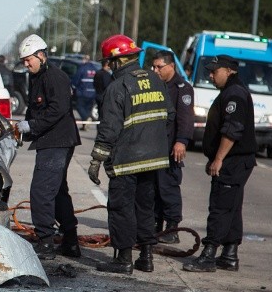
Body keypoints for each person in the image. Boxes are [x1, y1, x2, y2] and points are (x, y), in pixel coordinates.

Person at [87, 34, 173, 274]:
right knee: (145, 208)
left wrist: (96, 160)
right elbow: (169, 117)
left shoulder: (117, 87)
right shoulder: (157, 82)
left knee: (121, 208)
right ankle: (146, 257)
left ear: (116, 62)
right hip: (153, 159)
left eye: (108, 62)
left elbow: (109, 130)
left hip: (126, 161)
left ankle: (123, 259)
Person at [183, 55, 257, 273]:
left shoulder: (234, 94)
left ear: (229, 71)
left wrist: (218, 159)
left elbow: (232, 130)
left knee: (220, 207)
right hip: (235, 161)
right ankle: (230, 254)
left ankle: (209, 255)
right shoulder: (231, 92)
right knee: (231, 206)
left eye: (215, 71)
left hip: (233, 161)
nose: (211, 75)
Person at [15, 34, 82, 260]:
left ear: (41, 55)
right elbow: (35, 109)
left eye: (28, 60)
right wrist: (24, 129)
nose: (26, 64)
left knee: (41, 191)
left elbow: (56, 111)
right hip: (50, 140)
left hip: (58, 141)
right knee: (57, 191)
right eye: (24, 61)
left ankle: (45, 242)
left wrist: (31, 126)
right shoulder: (37, 77)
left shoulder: (55, 77)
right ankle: (70, 241)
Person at [151, 50, 195, 244]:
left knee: (168, 189)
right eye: (153, 67)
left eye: (159, 67)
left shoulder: (182, 88)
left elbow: (185, 118)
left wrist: (182, 141)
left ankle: (172, 229)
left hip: (170, 147)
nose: (155, 70)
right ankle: (154, 226)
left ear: (171, 66)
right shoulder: (155, 85)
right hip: (154, 147)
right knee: (153, 190)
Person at [70, 56, 99, 130]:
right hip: (92, 93)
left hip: (83, 92)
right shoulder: (95, 69)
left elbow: (75, 80)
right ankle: (84, 125)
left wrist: (73, 87)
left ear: (85, 60)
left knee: (79, 107)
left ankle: (86, 118)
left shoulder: (82, 68)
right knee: (87, 109)